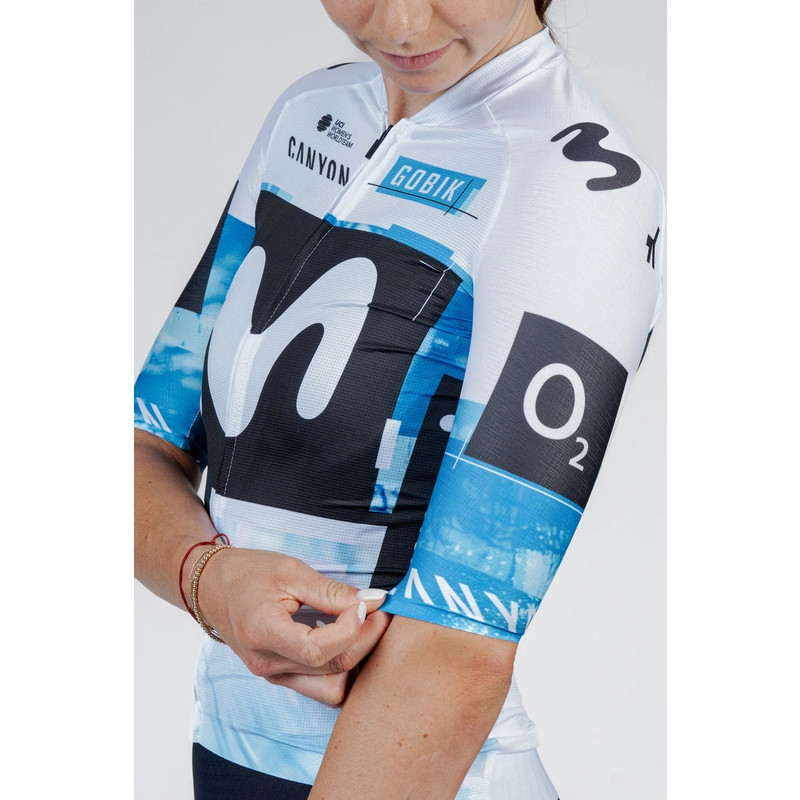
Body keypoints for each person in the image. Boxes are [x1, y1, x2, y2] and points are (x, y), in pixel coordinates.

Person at [134, 1, 665, 798]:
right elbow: (142, 449)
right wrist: (209, 580)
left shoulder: (578, 184)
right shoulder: (311, 111)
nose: (401, 23)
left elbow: (461, 645)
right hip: (228, 759)